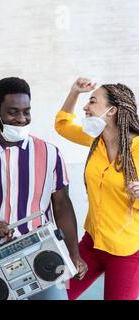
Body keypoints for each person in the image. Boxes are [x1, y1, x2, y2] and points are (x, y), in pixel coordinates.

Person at [0, 77, 88, 300]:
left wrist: (74, 254)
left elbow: (62, 206)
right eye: (12, 112)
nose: (21, 119)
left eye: (26, 112)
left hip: (43, 252)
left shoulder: (50, 153)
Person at [55, 77, 139, 300]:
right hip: (91, 244)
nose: (85, 107)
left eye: (92, 101)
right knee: (55, 294)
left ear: (111, 111)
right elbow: (62, 125)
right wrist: (74, 92)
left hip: (127, 252)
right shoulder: (96, 140)